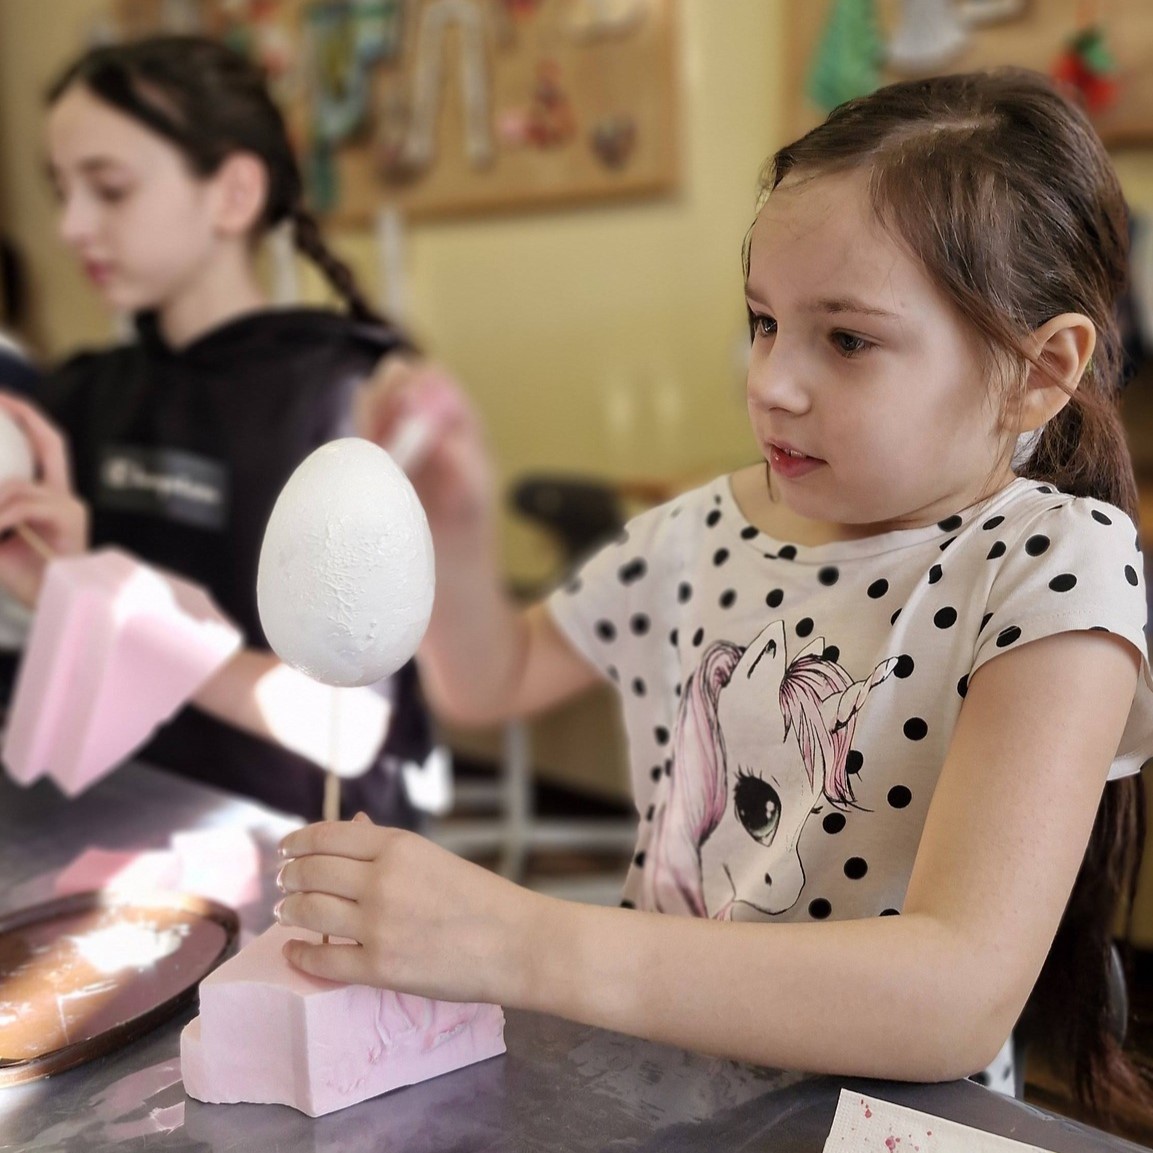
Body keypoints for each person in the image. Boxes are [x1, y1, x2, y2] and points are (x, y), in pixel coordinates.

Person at [274, 69, 1153, 1114]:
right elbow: (489, 678)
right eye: (763, 321)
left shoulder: (1052, 564)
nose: (769, 381)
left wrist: (514, 940)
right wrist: (455, 524)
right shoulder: (702, 528)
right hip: (655, 1097)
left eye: (847, 339)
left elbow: (954, 997)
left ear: (1039, 371)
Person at [0, 35, 437, 826]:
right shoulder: (81, 393)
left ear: (233, 193)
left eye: (109, 188)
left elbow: (352, 727)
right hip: (123, 825)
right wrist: (59, 586)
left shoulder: (345, 397)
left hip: (302, 849)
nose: (70, 225)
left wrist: (152, 633)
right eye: (61, 190)